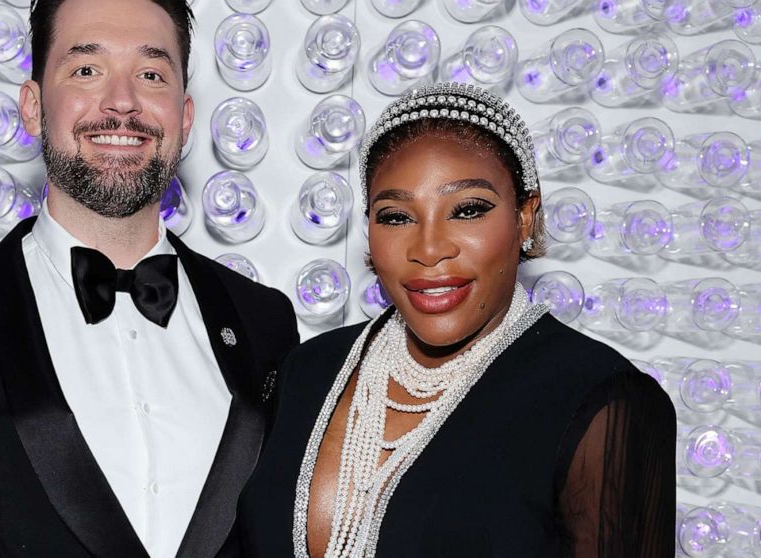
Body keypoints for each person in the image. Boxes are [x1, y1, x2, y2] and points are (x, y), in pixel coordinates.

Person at [0, 0, 298, 556]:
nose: (122, 102)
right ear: (33, 107)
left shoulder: (264, 322)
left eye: (151, 74)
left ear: (185, 116)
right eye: (86, 70)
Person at [236, 82, 675, 557]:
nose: (428, 249)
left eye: (467, 210)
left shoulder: (601, 400)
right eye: (396, 217)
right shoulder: (308, 371)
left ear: (525, 217)